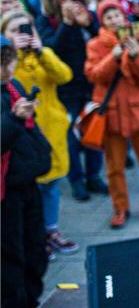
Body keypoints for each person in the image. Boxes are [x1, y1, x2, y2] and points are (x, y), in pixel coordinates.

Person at [0, 11, 78, 260]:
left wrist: (41, 52)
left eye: (27, 29)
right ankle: (36, 237)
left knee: (52, 186)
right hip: (22, 137)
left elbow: (64, 75)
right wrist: (15, 55)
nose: (22, 35)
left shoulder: (44, 53)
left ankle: (51, 230)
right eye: (14, 31)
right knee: (31, 189)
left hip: (51, 130)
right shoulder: (9, 66)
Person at [84, 0, 139, 228]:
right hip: (111, 114)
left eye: (117, 15)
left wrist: (135, 55)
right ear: (102, 21)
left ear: (124, 17)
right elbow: (94, 75)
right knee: (114, 167)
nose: (114, 20)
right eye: (108, 17)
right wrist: (114, 57)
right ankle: (120, 208)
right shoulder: (95, 45)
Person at [36, 0, 106, 202]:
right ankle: (76, 180)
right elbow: (51, 50)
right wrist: (67, 24)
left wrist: (89, 24)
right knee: (72, 135)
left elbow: (103, 41)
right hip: (65, 87)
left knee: (93, 128)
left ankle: (94, 175)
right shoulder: (46, 21)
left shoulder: (89, 14)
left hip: (90, 82)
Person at [1, 35, 52, 308]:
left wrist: (43, 153)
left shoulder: (12, 86)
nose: (8, 68)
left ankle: (32, 298)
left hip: (27, 180)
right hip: (5, 190)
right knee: (11, 256)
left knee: (35, 249)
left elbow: (31, 127)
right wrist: (13, 118)